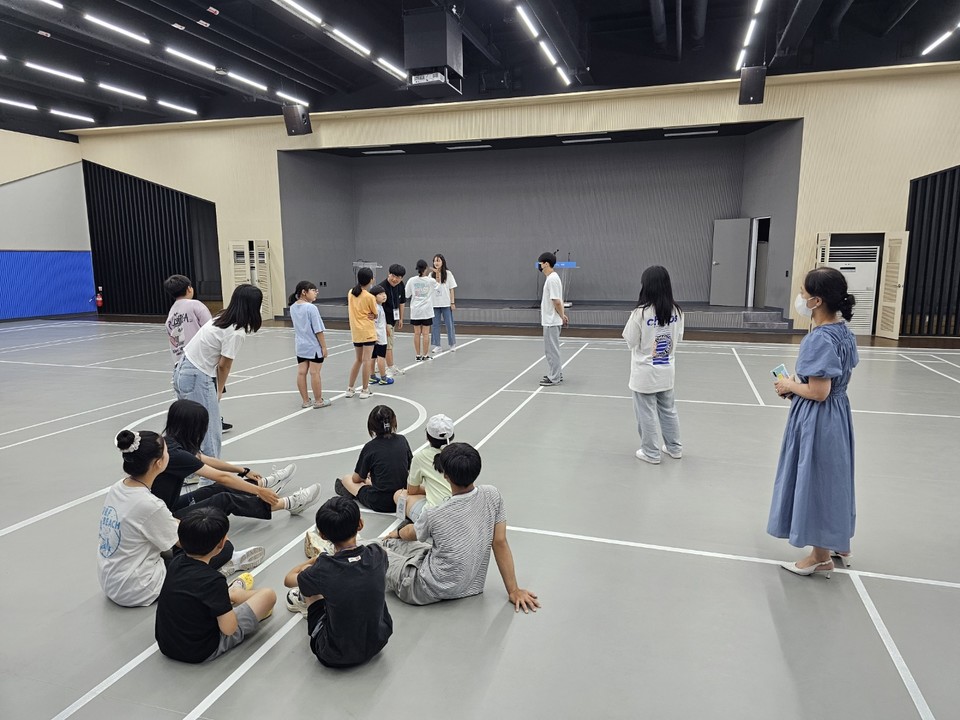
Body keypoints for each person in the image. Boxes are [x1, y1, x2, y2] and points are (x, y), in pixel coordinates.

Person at [152, 400, 322, 574]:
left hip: (167, 506)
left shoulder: (169, 443)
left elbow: (204, 460)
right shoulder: (175, 454)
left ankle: (263, 483)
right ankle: (286, 503)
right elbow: (222, 476)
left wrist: (243, 471)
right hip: (164, 518)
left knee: (217, 488)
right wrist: (258, 492)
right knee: (224, 499)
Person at [768, 267, 859, 578]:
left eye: (804, 295)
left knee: (815, 478)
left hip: (819, 418)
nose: (800, 299)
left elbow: (819, 392)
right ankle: (837, 539)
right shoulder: (844, 331)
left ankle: (820, 555)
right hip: (837, 414)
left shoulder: (818, 339)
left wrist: (790, 386)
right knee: (834, 478)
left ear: (817, 301)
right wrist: (799, 384)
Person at [381, 442, 540, 612]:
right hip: (470, 586)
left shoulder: (434, 513)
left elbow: (410, 533)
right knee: (404, 547)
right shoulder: (493, 495)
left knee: (373, 551)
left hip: (422, 587)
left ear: (446, 476)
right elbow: (499, 542)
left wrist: (397, 532)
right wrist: (514, 590)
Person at [283, 497, 393, 668]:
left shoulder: (323, 568)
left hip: (334, 655)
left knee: (309, 586)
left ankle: (303, 603)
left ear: (322, 535)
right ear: (360, 524)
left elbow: (288, 579)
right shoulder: (377, 553)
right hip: (378, 642)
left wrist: (314, 561)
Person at [155, 508, 276, 664]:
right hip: (201, 651)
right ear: (222, 543)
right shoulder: (214, 581)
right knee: (268, 595)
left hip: (166, 645)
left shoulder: (175, 564)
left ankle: (230, 595)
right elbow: (229, 629)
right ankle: (235, 593)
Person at [174, 284, 262, 459]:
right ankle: (210, 480)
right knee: (211, 431)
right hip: (196, 376)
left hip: (182, 369)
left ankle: (190, 471)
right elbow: (224, 365)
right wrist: (219, 390)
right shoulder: (236, 331)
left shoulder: (221, 317)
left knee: (190, 427)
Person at [98, 430, 181, 607]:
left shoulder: (117, 488)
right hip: (137, 589)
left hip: (111, 580)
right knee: (216, 549)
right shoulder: (149, 504)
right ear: (159, 463)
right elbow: (184, 541)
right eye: (167, 452)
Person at [622, 266, 684, 464]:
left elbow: (631, 341)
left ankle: (651, 452)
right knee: (668, 409)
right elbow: (679, 338)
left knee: (646, 413)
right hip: (666, 370)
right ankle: (674, 447)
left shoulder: (640, 313)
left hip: (645, 373)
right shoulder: (676, 311)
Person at [164, 274, 231, 434]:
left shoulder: (171, 313)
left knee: (189, 400)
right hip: (200, 360)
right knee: (208, 395)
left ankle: (199, 425)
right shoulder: (195, 305)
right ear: (189, 288)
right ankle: (210, 424)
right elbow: (211, 328)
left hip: (180, 363)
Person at [335, 405, 412, 513]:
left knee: (347, 479)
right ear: (393, 422)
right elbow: (409, 467)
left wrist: (366, 479)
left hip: (380, 502)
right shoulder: (402, 440)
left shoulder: (370, 447)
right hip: (403, 496)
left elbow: (356, 479)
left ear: (371, 427)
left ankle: (353, 492)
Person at [393, 413, 454, 522]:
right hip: (459, 509)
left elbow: (412, 490)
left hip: (436, 519)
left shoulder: (421, 457)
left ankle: (415, 523)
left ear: (428, 436)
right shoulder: (458, 453)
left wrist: (427, 489)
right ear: (452, 436)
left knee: (400, 494)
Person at [289, 281, 331, 409]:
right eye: (313, 290)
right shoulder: (311, 308)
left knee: (301, 373)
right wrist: (324, 347)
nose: (316, 293)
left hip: (300, 346)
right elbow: (318, 330)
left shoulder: (293, 307)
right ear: (304, 292)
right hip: (313, 346)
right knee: (315, 373)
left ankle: (306, 401)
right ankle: (319, 401)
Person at [346, 267, 378, 399]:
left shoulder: (350, 293)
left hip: (356, 332)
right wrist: (372, 315)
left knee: (358, 360)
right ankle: (365, 390)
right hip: (368, 332)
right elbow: (375, 314)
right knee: (366, 361)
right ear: (371, 280)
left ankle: (350, 388)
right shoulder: (370, 297)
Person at [537, 252, 568, 386]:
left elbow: (556, 301)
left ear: (546, 264)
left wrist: (562, 316)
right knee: (551, 350)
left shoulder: (552, 279)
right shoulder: (551, 278)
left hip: (551, 321)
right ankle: (556, 373)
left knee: (551, 350)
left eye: (540, 263)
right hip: (550, 320)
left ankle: (554, 377)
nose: (539, 266)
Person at [405, 259, 438, 361]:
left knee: (416, 333)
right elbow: (438, 285)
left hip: (415, 310)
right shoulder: (430, 280)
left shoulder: (411, 280)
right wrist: (437, 273)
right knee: (426, 334)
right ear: (426, 269)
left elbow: (407, 294)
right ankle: (425, 355)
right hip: (426, 311)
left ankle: (418, 355)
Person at [382, 264, 406, 377]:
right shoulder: (382, 288)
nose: (395, 279)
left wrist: (401, 317)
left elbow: (402, 302)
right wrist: (384, 324)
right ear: (389, 274)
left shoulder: (400, 285)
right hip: (384, 321)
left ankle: (381, 365)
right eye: (393, 276)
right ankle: (390, 368)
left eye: (399, 277)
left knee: (388, 344)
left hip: (393, 318)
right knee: (388, 345)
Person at [430, 253, 458, 354]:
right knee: (435, 325)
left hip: (446, 303)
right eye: (435, 261)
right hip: (434, 304)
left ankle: (452, 344)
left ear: (442, 262)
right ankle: (437, 345)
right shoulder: (431, 275)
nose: (436, 263)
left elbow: (451, 289)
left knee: (449, 324)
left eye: (438, 260)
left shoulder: (448, 273)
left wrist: (452, 302)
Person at [368, 285, 394, 385]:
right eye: (380, 294)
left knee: (373, 356)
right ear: (373, 297)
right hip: (379, 336)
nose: (384, 296)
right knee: (381, 356)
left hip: (375, 335)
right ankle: (383, 377)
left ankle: (372, 376)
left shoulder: (379, 306)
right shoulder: (376, 308)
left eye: (384, 293)